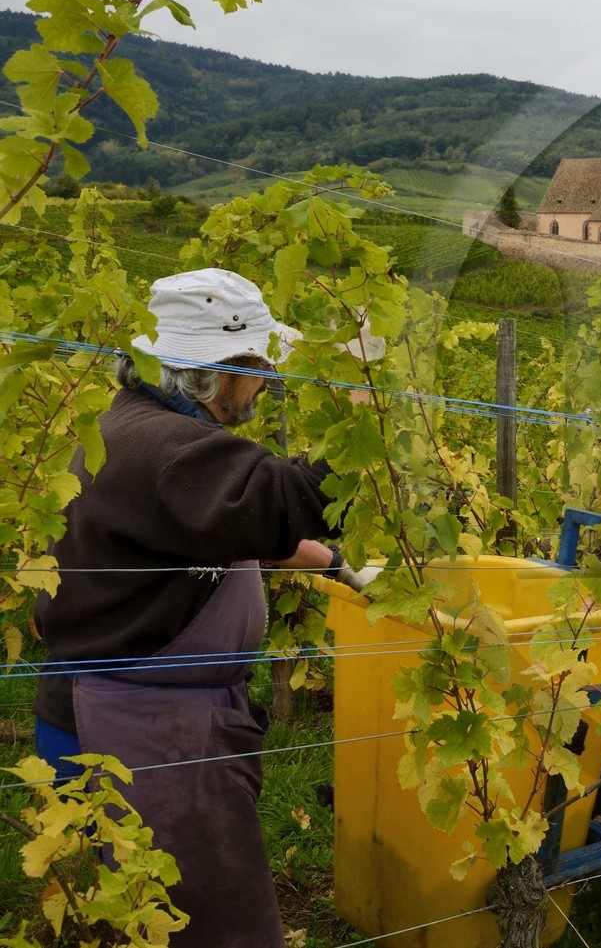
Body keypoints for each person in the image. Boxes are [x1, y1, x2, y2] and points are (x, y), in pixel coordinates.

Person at [32, 268, 364, 947]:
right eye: (257, 368)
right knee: (210, 930)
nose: (265, 383)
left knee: (153, 922)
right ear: (216, 373)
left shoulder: (144, 429)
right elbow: (289, 498)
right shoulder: (169, 450)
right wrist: (363, 413)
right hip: (141, 734)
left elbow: (217, 529)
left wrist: (334, 566)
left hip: (145, 716)